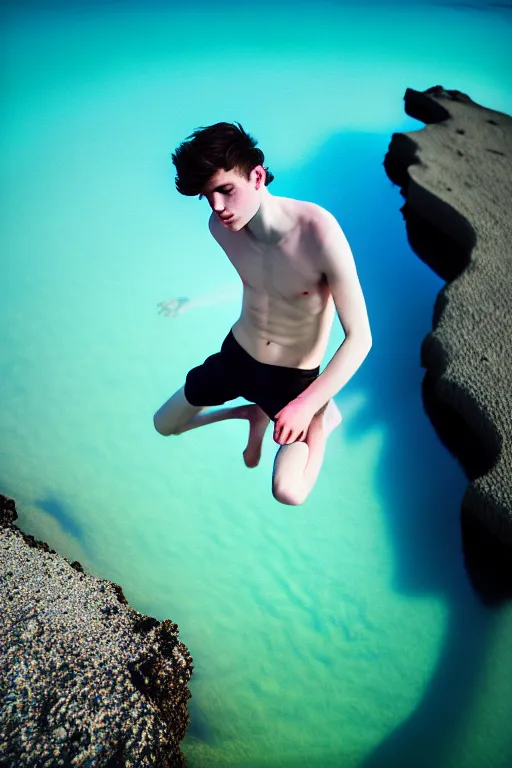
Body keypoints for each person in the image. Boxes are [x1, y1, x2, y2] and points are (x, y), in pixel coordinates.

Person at [153, 121, 372, 505]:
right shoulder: (220, 228)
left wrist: (305, 407)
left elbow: (361, 337)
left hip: (292, 383)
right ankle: (251, 412)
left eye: (225, 190)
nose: (217, 207)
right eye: (208, 196)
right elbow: (257, 281)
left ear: (257, 176)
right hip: (236, 355)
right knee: (164, 425)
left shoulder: (319, 233)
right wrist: (191, 302)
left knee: (290, 492)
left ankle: (324, 418)